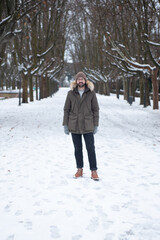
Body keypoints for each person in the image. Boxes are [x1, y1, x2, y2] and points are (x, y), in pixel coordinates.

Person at [63, 71, 99, 181]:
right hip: (74, 125)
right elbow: (66, 110)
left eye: (82, 79)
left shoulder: (91, 93)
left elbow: (95, 109)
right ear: (76, 81)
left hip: (88, 124)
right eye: (78, 79)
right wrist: (65, 124)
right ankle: (79, 169)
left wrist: (96, 124)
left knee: (90, 148)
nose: (80, 81)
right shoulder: (70, 93)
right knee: (77, 149)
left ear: (85, 80)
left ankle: (94, 171)